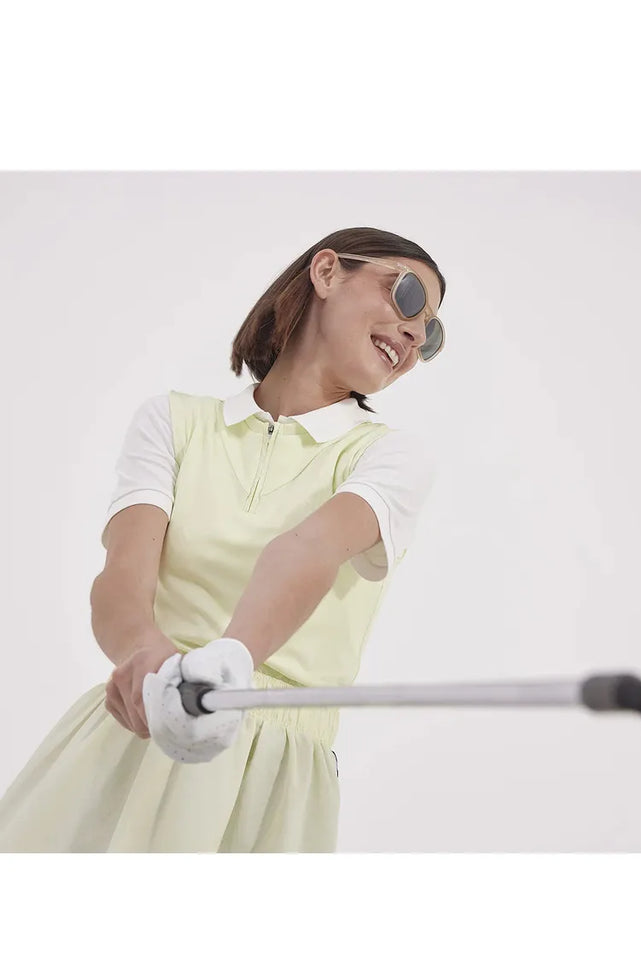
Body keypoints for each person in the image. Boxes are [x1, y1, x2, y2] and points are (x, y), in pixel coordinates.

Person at [0, 225, 446, 853]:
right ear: (326, 273)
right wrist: (148, 658)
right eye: (406, 297)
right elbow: (122, 577)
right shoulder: (174, 423)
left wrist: (228, 660)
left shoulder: (391, 458)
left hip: (267, 772)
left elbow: (309, 549)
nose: (415, 331)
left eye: (431, 331)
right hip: (136, 729)